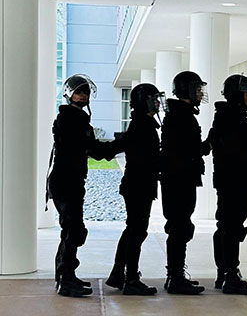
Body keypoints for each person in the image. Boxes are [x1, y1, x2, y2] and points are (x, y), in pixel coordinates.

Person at [47, 74, 113, 297]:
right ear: (69, 94)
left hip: (72, 181)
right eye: (79, 91)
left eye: (85, 92)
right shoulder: (69, 118)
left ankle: (66, 276)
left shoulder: (77, 117)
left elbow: (90, 148)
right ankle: (65, 279)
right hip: (65, 181)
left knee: (72, 229)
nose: (83, 95)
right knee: (74, 229)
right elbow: (91, 148)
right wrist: (121, 145)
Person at [105, 83, 166, 295]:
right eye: (153, 98)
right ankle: (130, 278)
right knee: (136, 231)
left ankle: (118, 274)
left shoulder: (142, 123)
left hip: (137, 185)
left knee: (134, 230)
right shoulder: (143, 125)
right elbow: (147, 158)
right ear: (144, 101)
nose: (157, 102)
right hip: (138, 186)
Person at [208, 74, 247, 295]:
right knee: (232, 228)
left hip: (228, 181)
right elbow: (245, 152)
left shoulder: (223, 116)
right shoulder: (235, 118)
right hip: (235, 182)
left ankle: (224, 273)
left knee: (225, 227)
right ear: (239, 95)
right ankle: (231, 275)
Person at [160, 71, 211, 295]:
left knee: (181, 227)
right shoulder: (181, 116)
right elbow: (190, 150)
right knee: (180, 228)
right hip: (179, 181)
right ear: (187, 90)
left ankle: (176, 275)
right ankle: (175, 277)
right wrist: (211, 142)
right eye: (197, 89)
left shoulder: (180, 114)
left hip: (179, 179)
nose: (201, 93)